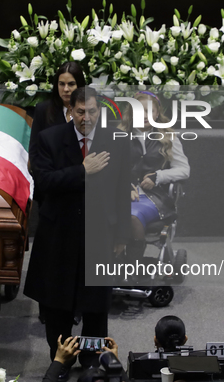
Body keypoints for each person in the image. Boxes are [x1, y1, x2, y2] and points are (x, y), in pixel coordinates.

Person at [24, 87, 130, 378]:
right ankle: (61, 358)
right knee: (57, 304)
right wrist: (82, 170)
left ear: (101, 111)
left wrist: (122, 235)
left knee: (96, 305)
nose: (87, 118)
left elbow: (122, 190)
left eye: (93, 111)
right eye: (81, 112)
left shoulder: (116, 142)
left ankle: (92, 358)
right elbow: (44, 182)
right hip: (59, 233)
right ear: (70, 112)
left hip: (100, 235)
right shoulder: (50, 138)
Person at [28, 61, 86, 324]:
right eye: (61, 83)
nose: (65, 89)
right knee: (50, 255)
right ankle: (48, 308)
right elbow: (35, 151)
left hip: (80, 195)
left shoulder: (90, 113)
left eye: (71, 84)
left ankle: (73, 306)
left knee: (75, 255)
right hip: (50, 191)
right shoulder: (44, 110)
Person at [118, 92, 190, 269]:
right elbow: (111, 170)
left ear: (157, 114)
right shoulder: (119, 136)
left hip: (154, 198)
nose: (144, 116)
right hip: (123, 195)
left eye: (150, 111)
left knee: (132, 215)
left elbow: (184, 170)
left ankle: (131, 268)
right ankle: (115, 263)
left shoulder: (168, 137)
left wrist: (158, 177)